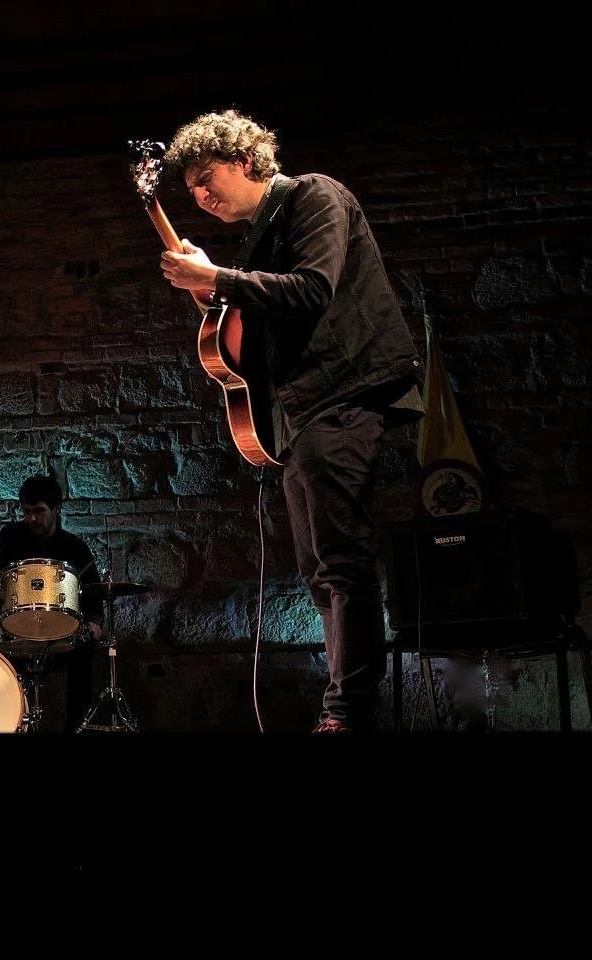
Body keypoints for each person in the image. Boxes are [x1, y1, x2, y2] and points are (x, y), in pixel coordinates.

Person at [157, 109, 424, 734]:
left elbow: (311, 289)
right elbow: (255, 336)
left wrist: (218, 277)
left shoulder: (313, 196)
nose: (199, 194)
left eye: (206, 175)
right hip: (301, 411)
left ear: (247, 160)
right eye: (189, 186)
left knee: (341, 560)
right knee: (315, 568)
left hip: (345, 391)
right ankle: (343, 706)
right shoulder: (257, 242)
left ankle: (348, 713)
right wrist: (214, 289)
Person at [0, 473, 106, 733]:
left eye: (39, 511)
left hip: (62, 627)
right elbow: (2, 584)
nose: (32, 518)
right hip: (18, 624)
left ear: (56, 509)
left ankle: (75, 727)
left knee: (84, 651)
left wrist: (95, 622)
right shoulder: (11, 538)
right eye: (27, 512)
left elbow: (93, 590)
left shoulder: (74, 547)